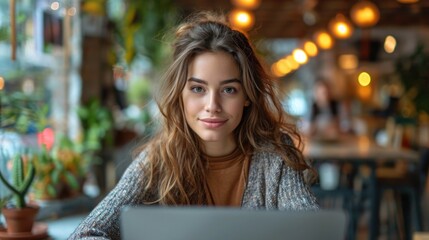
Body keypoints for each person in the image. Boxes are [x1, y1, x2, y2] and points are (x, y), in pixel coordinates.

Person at [69, 11, 319, 240]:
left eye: (229, 89)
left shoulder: (275, 158)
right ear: (180, 94)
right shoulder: (157, 162)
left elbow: (313, 230)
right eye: (198, 89)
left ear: (246, 97)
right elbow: (86, 234)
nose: (212, 105)